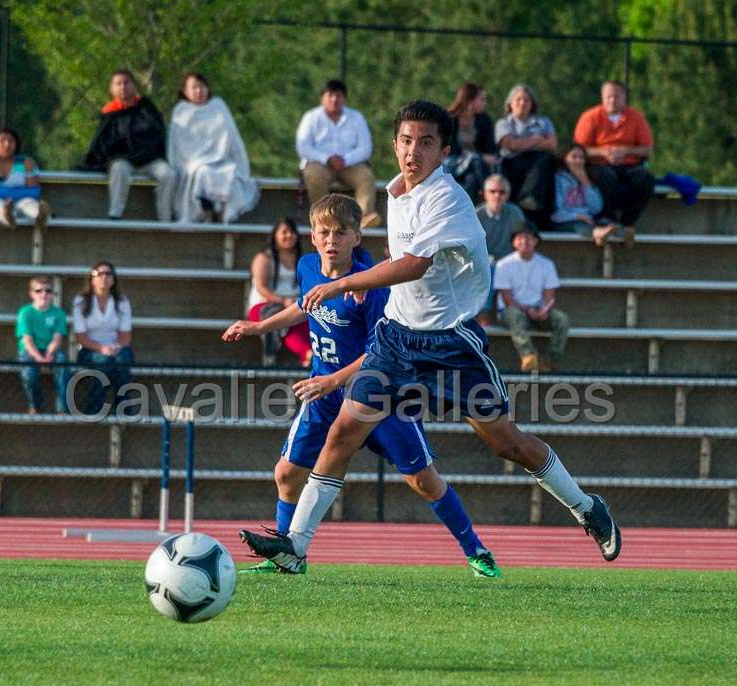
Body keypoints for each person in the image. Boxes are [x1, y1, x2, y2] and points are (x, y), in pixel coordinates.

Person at [239, 101, 621, 573]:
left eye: (425, 142)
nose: (412, 151)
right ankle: (296, 546)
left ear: (443, 151)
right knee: (342, 434)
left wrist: (346, 283)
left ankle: (586, 508)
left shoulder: (448, 198)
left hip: (450, 343)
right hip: (397, 339)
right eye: (404, 140)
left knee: (508, 444)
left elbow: (416, 263)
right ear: (394, 144)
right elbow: (403, 257)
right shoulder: (396, 190)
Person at [223, 193, 500, 577]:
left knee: (422, 480)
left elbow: (378, 352)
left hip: (378, 394)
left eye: (341, 232)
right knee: (286, 474)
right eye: (324, 232)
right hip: (325, 394)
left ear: (357, 237)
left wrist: (332, 379)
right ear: (313, 236)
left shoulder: (371, 288)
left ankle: (477, 550)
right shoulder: (307, 266)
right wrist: (258, 326)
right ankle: (286, 555)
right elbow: (304, 305)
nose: (331, 239)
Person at [78, 69, 176, 221]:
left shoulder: (146, 108)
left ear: (134, 86)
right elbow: (103, 143)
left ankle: (165, 218)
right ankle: (115, 215)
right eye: (118, 84)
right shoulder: (110, 113)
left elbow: (157, 131)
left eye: (126, 82)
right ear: (112, 89)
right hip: (124, 160)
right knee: (119, 169)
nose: (123, 86)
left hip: (149, 159)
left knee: (169, 174)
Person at [167, 72, 259, 223]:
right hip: (192, 162)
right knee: (202, 172)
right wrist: (196, 160)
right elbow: (179, 144)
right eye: (194, 87)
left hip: (221, 159)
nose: (199, 91)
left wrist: (233, 160)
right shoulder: (181, 111)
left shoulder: (218, 106)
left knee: (230, 176)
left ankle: (220, 213)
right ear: (184, 91)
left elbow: (231, 137)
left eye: (202, 87)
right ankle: (205, 211)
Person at [573, 80, 655, 242]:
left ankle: (627, 223)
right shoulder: (590, 117)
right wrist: (603, 152)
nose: (612, 100)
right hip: (599, 164)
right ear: (602, 97)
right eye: (608, 97)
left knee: (646, 179)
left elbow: (647, 149)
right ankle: (608, 219)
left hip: (630, 164)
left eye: (616, 97)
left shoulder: (636, 118)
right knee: (606, 177)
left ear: (624, 97)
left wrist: (625, 151)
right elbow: (578, 149)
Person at [296, 79, 381, 228]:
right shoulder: (311, 117)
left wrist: (345, 160)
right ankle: (323, 219)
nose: (334, 99)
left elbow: (366, 148)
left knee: (366, 177)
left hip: (350, 164)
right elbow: (303, 147)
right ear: (322, 97)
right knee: (313, 176)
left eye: (339, 95)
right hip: (319, 164)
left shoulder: (356, 117)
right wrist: (327, 159)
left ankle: (362, 219)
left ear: (345, 98)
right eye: (330, 95)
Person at [495, 223, 570, 373]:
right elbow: (507, 298)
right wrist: (528, 310)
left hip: (538, 310)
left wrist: (544, 310)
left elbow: (549, 295)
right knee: (515, 315)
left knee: (562, 319)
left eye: (529, 238)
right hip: (512, 311)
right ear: (514, 242)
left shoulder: (546, 264)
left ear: (536, 241)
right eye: (520, 238)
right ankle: (528, 357)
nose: (525, 241)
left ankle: (549, 361)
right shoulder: (504, 264)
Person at [71, 261, 134, 416]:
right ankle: (95, 409)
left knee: (122, 360)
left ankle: (124, 411)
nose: (104, 277)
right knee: (102, 362)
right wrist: (102, 349)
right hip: (89, 349)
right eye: (99, 274)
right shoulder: (81, 301)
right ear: (91, 279)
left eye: (108, 274)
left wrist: (115, 348)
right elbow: (80, 337)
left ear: (113, 280)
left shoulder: (122, 302)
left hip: (116, 348)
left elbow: (126, 336)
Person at [247, 217, 311, 366]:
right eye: (284, 232)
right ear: (275, 235)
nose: (289, 235)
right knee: (286, 322)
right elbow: (261, 287)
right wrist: (283, 301)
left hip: (293, 303)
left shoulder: (301, 258)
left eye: (292, 232)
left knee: (306, 317)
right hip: (264, 306)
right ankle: (306, 353)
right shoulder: (264, 257)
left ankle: (309, 355)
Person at [494, 84, 557, 225]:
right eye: (518, 100)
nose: (522, 103)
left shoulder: (544, 122)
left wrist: (523, 143)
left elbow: (552, 144)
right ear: (510, 103)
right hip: (512, 162)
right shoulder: (503, 123)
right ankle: (523, 200)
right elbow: (511, 145)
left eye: (526, 100)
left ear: (532, 103)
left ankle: (532, 201)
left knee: (546, 160)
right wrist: (537, 140)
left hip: (538, 162)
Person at [0, 127, 51, 227]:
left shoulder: (27, 163)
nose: (7, 144)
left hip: (20, 204)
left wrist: (2, 193)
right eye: (2, 140)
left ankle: (40, 217)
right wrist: (15, 193)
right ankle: (7, 215)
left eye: (11, 141)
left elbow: (34, 192)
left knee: (30, 205)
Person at [475, 174, 526, 324]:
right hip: (483, 262)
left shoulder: (515, 213)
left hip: (509, 261)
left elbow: (521, 239)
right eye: (492, 191)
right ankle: (484, 313)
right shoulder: (476, 215)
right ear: (485, 194)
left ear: (508, 195)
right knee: (490, 268)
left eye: (502, 192)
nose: (497, 195)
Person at [16, 276, 69, 415]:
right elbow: (27, 340)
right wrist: (38, 357)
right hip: (30, 351)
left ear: (52, 294)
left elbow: (57, 338)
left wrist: (49, 353)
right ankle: (36, 405)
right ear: (31, 294)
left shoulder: (59, 314)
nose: (44, 294)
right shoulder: (25, 312)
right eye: (39, 290)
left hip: (51, 349)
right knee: (28, 374)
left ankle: (62, 408)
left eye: (48, 291)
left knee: (62, 364)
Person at [552, 143, 617, 246]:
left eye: (582, 158)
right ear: (564, 159)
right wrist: (577, 216)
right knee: (581, 226)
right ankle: (597, 235)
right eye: (574, 157)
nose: (578, 161)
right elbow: (556, 213)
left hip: (588, 219)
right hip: (566, 221)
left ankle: (617, 234)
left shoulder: (588, 178)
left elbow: (596, 208)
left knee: (607, 223)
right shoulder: (557, 179)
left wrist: (585, 182)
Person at [444, 82, 498, 204]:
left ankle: (471, 207)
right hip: (452, 162)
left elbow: (491, 148)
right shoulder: (449, 119)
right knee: (476, 161)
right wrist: (479, 156)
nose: (484, 103)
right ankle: (487, 194)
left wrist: (484, 156)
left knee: (472, 179)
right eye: (482, 99)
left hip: (475, 166)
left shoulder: (483, 119)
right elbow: (449, 148)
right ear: (469, 100)